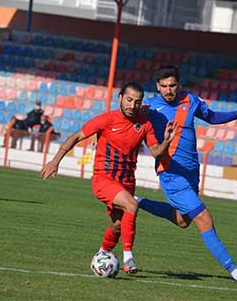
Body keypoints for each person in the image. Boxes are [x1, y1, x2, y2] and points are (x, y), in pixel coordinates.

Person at [134, 66, 237, 287]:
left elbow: (211, 116)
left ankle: (137, 202)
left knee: (183, 220)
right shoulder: (149, 108)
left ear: (179, 85)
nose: (168, 90)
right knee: (204, 219)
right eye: (163, 86)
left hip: (191, 172)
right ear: (157, 86)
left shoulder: (190, 100)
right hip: (170, 173)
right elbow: (129, 124)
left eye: (172, 85)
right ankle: (236, 272)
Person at [41, 82, 177, 274]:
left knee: (117, 226)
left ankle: (102, 254)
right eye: (129, 100)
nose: (132, 105)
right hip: (103, 179)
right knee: (132, 205)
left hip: (127, 181)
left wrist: (167, 141)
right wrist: (55, 161)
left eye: (137, 102)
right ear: (120, 98)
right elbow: (76, 136)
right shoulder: (106, 119)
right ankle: (128, 257)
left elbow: (156, 152)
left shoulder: (144, 124)